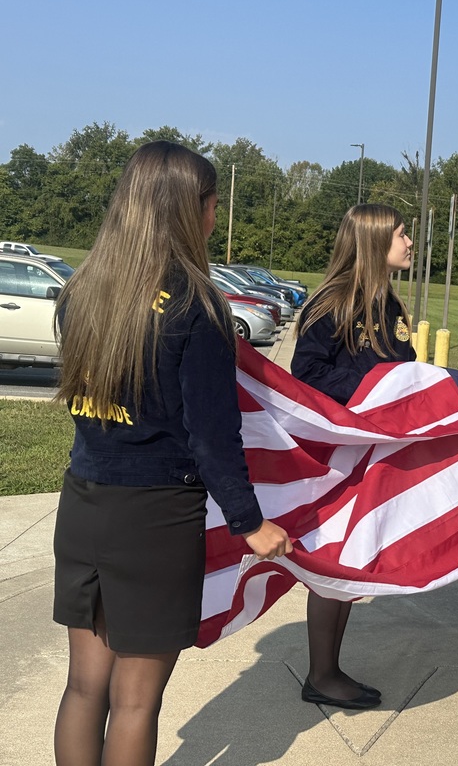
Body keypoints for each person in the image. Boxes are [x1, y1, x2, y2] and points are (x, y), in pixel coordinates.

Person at [51, 140, 292, 766]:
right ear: (192, 209)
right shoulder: (197, 304)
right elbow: (212, 434)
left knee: (84, 686)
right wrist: (249, 522)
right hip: (154, 516)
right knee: (135, 701)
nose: (214, 216)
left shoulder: (80, 290)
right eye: (212, 203)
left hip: (83, 502)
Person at [290, 203, 416, 710]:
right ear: (374, 241)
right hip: (339, 455)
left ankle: (329, 669)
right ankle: (321, 675)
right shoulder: (333, 303)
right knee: (335, 558)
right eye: (402, 235)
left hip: (374, 451)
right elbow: (306, 375)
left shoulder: (389, 304)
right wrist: (375, 386)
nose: (409, 243)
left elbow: (404, 368)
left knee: (352, 558)